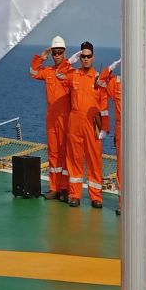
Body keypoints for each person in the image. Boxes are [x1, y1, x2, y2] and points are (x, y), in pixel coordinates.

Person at [60, 42, 109, 208]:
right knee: (74, 159)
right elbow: (59, 74)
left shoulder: (98, 78)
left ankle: (96, 196)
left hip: (93, 122)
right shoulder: (73, 75)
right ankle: (74, 194)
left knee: (95, 160)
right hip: (75, 122)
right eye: (83, 56)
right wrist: (68, 62)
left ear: (93, 57)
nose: (86, 59)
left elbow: (104, 104)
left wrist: (104, 127)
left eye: (88, 56)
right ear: (80, 58)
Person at [30, 36, 72, 200]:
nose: (57, 55)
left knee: (65, 154)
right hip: (52, 117)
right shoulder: (48, 72)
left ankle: (65, 188)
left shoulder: (70, 72)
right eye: (55, 52)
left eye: (60, 52)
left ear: (64, 53)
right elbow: (33, 72)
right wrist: (41, 57)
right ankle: (54, 187)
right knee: (53, 153)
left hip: (65, 117)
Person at [96, 59, 123, 215]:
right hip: (121, 129)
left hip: (139, 130)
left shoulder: (140, 82)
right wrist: (110, 69)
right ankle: (123, 204)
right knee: (122, 168)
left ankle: (138, 204)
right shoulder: (116, 83)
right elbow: (99, 82)